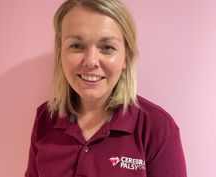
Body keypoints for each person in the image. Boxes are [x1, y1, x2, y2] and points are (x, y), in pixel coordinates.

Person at [25, 0, 187, 176]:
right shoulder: (45, 118)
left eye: (107, 47)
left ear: (126, 57)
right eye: (77, 46)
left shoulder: (158, 127)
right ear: (61, 53)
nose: (91, 61)